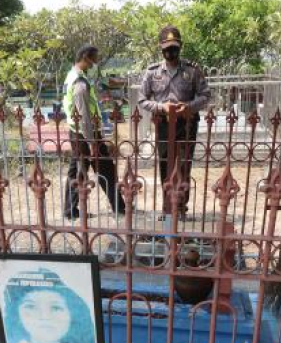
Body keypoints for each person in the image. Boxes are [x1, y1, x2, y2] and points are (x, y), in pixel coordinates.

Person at [137, 25, 210, 219]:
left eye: (174, 47)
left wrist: (189, 107)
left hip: (186, 125)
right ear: (161, 48)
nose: (171, 51)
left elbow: (205, 95)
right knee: (165, 165)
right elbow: (142, 99)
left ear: (180, 46)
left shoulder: (192, 71)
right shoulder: (152, 72)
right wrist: (161, 107)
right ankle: (168, 208)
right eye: (167, 48)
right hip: (163, 124)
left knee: (184, 166)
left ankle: (181, 208)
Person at [2, 268, 99, 343]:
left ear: (72, 314)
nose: (45, 317)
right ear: (16, 313)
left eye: (56, 308)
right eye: (31, 306)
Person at [62, 45, 126, 219]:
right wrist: (91, 142)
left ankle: (70, 210)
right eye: (94, 59)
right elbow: (83, 115)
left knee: (78, 171)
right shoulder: (79, 83)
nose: (95, 63)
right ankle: (120, 208)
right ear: (85, 57)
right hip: (86, 134)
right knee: (105, 169)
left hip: (78, 132)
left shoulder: (72, 76)